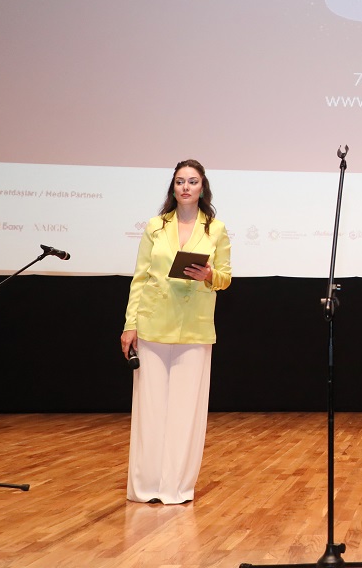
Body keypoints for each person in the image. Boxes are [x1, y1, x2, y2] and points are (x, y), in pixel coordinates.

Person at [120, 158, 232, 504]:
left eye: (192, 181)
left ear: (202, 187)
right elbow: (140, 278)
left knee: (185, 411)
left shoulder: (216, 229)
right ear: (173, 187)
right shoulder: (156, 226)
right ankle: (146, 486)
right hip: (153, 323)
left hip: (194, 327)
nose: (186, 187)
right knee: (150, 409)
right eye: (180, 181)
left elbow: (226, 278)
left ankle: (176, 488)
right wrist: (130, 324)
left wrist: (209, 275)